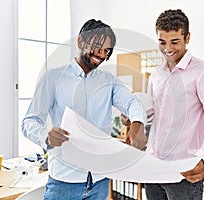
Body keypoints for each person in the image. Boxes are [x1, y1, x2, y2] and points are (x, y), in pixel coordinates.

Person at [21, 19, 147, 200]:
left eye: (107, 51)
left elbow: (132, 103)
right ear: (81, 42)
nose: (101, 55)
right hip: (64, 182)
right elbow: (29, 121)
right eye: (98, 47)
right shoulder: (53, 78)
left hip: (100, 181)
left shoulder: (108, 81)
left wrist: (137, 124)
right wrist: (46, 136)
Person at [122, 9, 204, 200]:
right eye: (162, 42)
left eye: (174, 42)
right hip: (154, 168)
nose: (167, 49)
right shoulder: (157, 74)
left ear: (187, 37)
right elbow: (156, 113)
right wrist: (135, 117)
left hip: (184, 172)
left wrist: (202, 159)